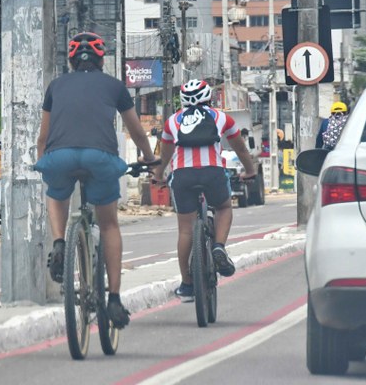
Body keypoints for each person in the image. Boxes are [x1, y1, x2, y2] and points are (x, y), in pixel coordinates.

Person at [35, 32, 158, 329]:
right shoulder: (115, 86)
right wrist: (148, 158)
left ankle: (60, 242)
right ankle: (113, 298)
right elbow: (137, 131)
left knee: (56, 194)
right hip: (100, 158)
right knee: (109, 225)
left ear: (71, 61)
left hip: (60, 157)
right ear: (102, 60)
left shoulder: (56, 86)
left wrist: (43, 163)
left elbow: (43, 137)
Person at [152, 79, 257, 302]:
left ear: (183, 100)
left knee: (185, 230)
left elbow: (165, 155)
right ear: (209, 97)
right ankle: (218, 246)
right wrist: (250, 170)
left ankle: (187, 284)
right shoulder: (221, 118)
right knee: (224, 207)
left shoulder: (172, 121)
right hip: (213, 174)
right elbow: (240, 148)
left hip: (183, 177)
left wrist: (158, 176)